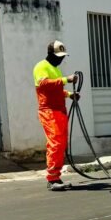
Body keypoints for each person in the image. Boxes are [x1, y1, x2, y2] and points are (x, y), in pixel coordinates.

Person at [34, 40, 78, 191]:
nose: (61, 59)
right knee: (55, 144)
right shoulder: (41, 66)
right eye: (59, 56)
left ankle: (56, 177)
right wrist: (66, 79)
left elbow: (56, 89)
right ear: (50, 54)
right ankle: (52, 179)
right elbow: (44, 84)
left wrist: (69, 94)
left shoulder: (55, 69)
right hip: (49, 111)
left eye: (63, 56)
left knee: (61, 144)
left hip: (59, 110)